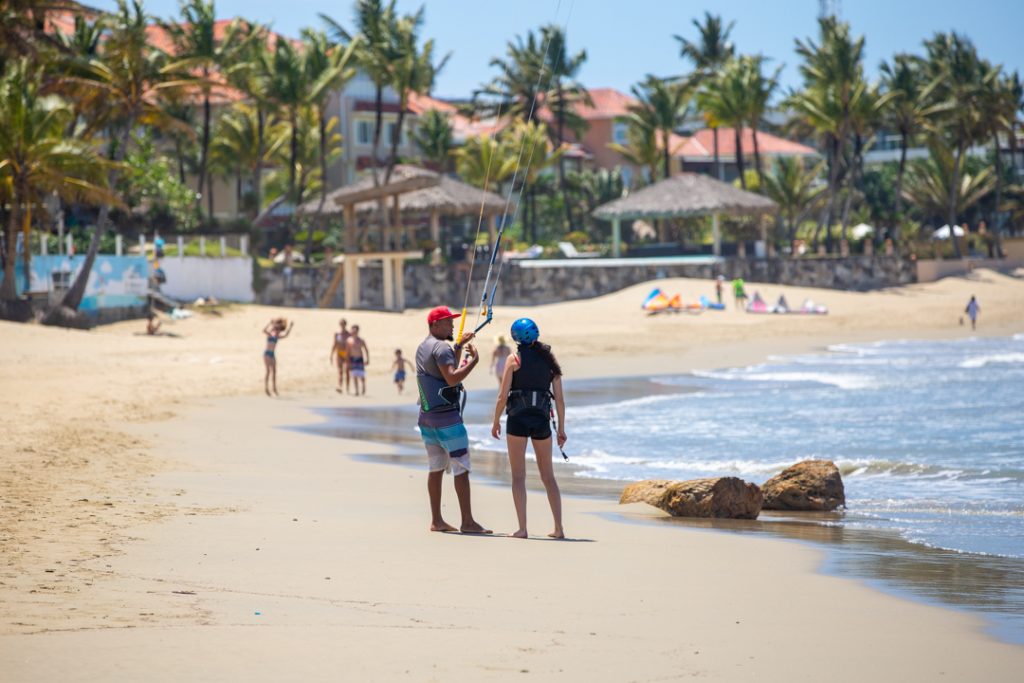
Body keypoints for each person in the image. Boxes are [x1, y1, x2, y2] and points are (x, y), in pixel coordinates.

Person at [415, 306, 490, 534]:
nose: (453, 326)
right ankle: (467, 522)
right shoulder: (441, 348)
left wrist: (457, 347)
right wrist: (473, 362)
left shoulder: (423, 347)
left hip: (427, 419)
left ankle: (436, 520)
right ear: (435, 325)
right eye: (448, 322)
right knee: (461, 467)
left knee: (435, 467)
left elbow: (442, 370)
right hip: (447, 421)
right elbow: (451, 378)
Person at [490, 318, 566, 540]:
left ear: (515, 337)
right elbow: (559, 400)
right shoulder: (550, 361)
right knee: (548, 477)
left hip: (517, 421)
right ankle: (559, 528)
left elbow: (502, 396)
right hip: (542, 421)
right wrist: (562, 428)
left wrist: (495, 421)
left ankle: (522, 529)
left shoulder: (513, 360)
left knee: (518, 476)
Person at [262, 318, 293, 396]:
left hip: (272, 354)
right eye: (277, 328)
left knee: (274, 372)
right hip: (267, 354)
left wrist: (290, 327)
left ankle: (274, 388)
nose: (278, 329)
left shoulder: (277, 336)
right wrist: (270, 324)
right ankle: (266, 388)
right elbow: (263, 330)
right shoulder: (270, 334)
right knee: (268, 371)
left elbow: (286, 335)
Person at [345, 325, 370, 395]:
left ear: (358, 331)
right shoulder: (349, 340)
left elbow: (366, 350)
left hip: (360, 359)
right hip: (352, 359)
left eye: (355, 331)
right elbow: (347, 351)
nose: (354, 332)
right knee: (354, 375)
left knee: (361, 375)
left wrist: (367, 359)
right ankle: (357, 390)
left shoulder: (361, 340)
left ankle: (363, 387)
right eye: (353, 330)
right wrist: (347, 361)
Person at [330, 319, 351, 393]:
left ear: (345, 324)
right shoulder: (337, 333)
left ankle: (348, 387)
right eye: (341, 324)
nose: (342, 325)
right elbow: (335, 344)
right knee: (340, 371)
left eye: (343, 324)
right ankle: (340, 386)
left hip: (346, 353)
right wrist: (331, 354)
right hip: (339, 353)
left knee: (347, 371)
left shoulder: (349, 334)